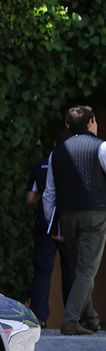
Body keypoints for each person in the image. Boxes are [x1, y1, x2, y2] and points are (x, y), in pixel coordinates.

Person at [43, 105, 106, 334]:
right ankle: (70, 320)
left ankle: (90, 318)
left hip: (67, 216)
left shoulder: (56, 153)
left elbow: (49, 193)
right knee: (87, 271)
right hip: (95, 214)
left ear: (68, 126)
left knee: (79, 269)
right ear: (90, 123)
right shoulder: (101, 147)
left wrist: (54, 223)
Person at [27, 131, 74, 327]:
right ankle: (73, 317)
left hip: (45, 222)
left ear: (54, 144)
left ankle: (39, 318)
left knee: (42, 270)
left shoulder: (41, 164)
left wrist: (42, 203)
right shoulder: (72, 164)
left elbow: (30, 198)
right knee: (70, 270)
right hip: (67, 222)